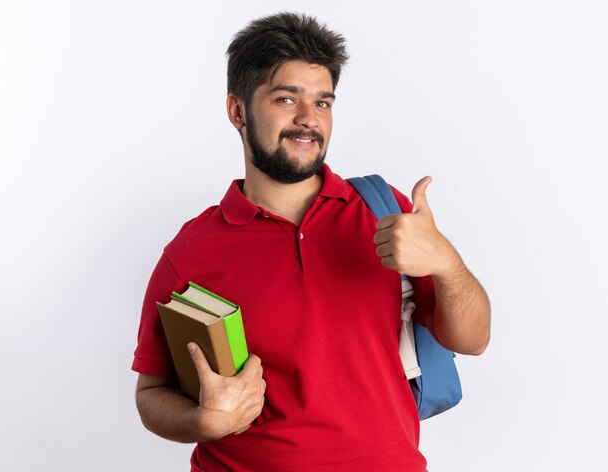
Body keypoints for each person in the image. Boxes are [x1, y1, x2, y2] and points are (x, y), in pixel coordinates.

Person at [132, 12, 490, 472]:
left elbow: (474, 340)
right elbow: (150, 394)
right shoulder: (191, 251)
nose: (308, 120)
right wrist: (202, 421)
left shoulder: (386, 211)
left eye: (323, 103)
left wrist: (446, 263)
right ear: (238, 111)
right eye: (286, 99)